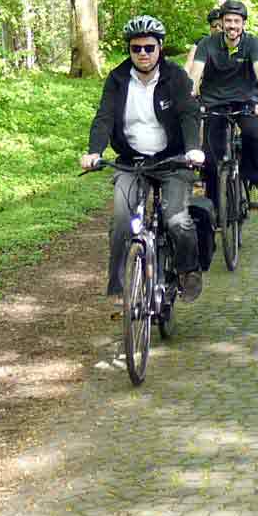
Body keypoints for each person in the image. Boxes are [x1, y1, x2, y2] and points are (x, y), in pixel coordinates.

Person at [81, 16, 206, 303]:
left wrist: (193, 149)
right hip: (131, 161)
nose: (143, 54)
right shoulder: (117, 79)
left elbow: (189, 114)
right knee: (123, 221)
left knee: (176, 220)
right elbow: (104, 118)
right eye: (136, 48)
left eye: (149, 48)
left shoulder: (175, 77)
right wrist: (95, 152)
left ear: (160, 47)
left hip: (173, 160)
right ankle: (119, 287)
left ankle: (188, 271)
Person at [187, 0, 258, 210]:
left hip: (245, 101)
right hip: (214, 101)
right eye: (228, 21)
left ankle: (252, 182)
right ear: (222, 23)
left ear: (243, 23)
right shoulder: (208, 44)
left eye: (236, 21)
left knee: (251, 135)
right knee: (210, 152)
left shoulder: (252, 43)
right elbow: (196, 73)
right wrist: (190, 98)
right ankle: (213, 202)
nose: (232, 25)